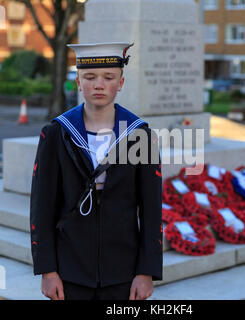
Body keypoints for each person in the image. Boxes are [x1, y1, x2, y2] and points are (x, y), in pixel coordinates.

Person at [30, 42, 163, 300]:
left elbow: (151, 208)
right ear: (78, 82)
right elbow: (41, 205)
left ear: (121, 83)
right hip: (69, 269)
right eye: (89, 77)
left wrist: (146, 272)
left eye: (109, 77)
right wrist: (47, 270)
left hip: (123, 271)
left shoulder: (140, 135)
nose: (99, 85)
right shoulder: (57, 133)